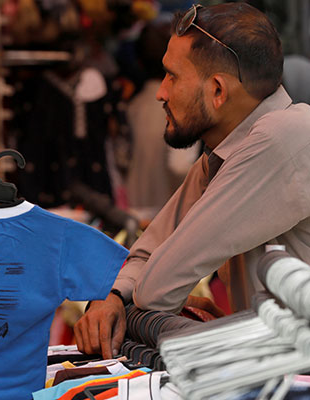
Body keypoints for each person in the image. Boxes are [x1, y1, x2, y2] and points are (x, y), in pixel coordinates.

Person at [75, 2, 310, 359]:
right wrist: (112, 298)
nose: (161, 92)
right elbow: (147, 252)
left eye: (172, 76)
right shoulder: (223, 153)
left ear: (217, 90)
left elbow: (156, 289)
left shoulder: (282, 136)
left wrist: (131, 301)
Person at [126, 17, 200, 219]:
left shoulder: (132, 106)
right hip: (169, 215)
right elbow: (180, 166)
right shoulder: (183, 105)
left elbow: (121, 157)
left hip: (134, 209)